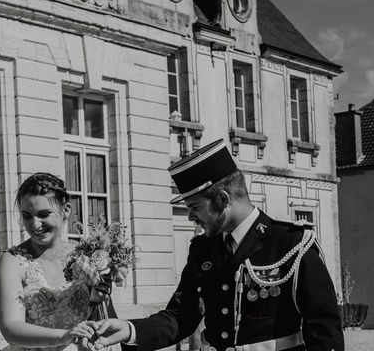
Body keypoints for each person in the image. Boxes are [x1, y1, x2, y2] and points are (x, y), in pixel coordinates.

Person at [93, 139, 344, 351]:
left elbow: (324, 329)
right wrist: (129, 329)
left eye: (194, 207)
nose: (190, 217)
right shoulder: (203, 249)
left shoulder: (291, 243)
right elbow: (181, 316)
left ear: (222, 199)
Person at [0, 172, 118, 351]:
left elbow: (107, 318)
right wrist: (64, 336)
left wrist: (99, 299)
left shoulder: (88, 256)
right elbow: (11, 328)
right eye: (27, 216)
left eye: (43, 214)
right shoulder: (13, 261)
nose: (35, 225)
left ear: (66, 210)